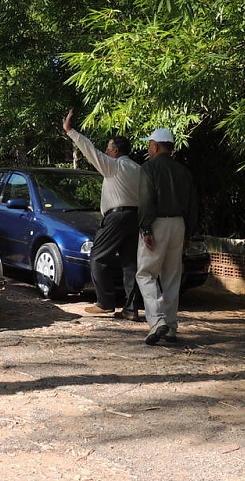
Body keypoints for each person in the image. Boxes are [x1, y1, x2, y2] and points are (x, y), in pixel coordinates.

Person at [63, 109, 143, 320]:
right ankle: (131, 309)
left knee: (98, 257)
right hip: (136, 217)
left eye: (108, 148)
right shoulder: (139, 169)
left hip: (116, 216)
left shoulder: (114, 166)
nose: (106, 152)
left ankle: (105, 303)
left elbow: (90, 151)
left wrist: (71, 131)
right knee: (130, 263)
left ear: (115, 151)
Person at [136, 128, 199, 345]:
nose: (148, 149)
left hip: (157, 223)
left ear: (155, 146)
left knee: (145, 274)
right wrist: (188, 233)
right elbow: (193, 205)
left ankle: (156, 320)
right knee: (172, 277)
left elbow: (146, 199)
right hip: (179, 225)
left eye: (150, 145)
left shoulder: (149, 168)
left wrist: (145, 228)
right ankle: (171, 327)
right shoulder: (184, 171)